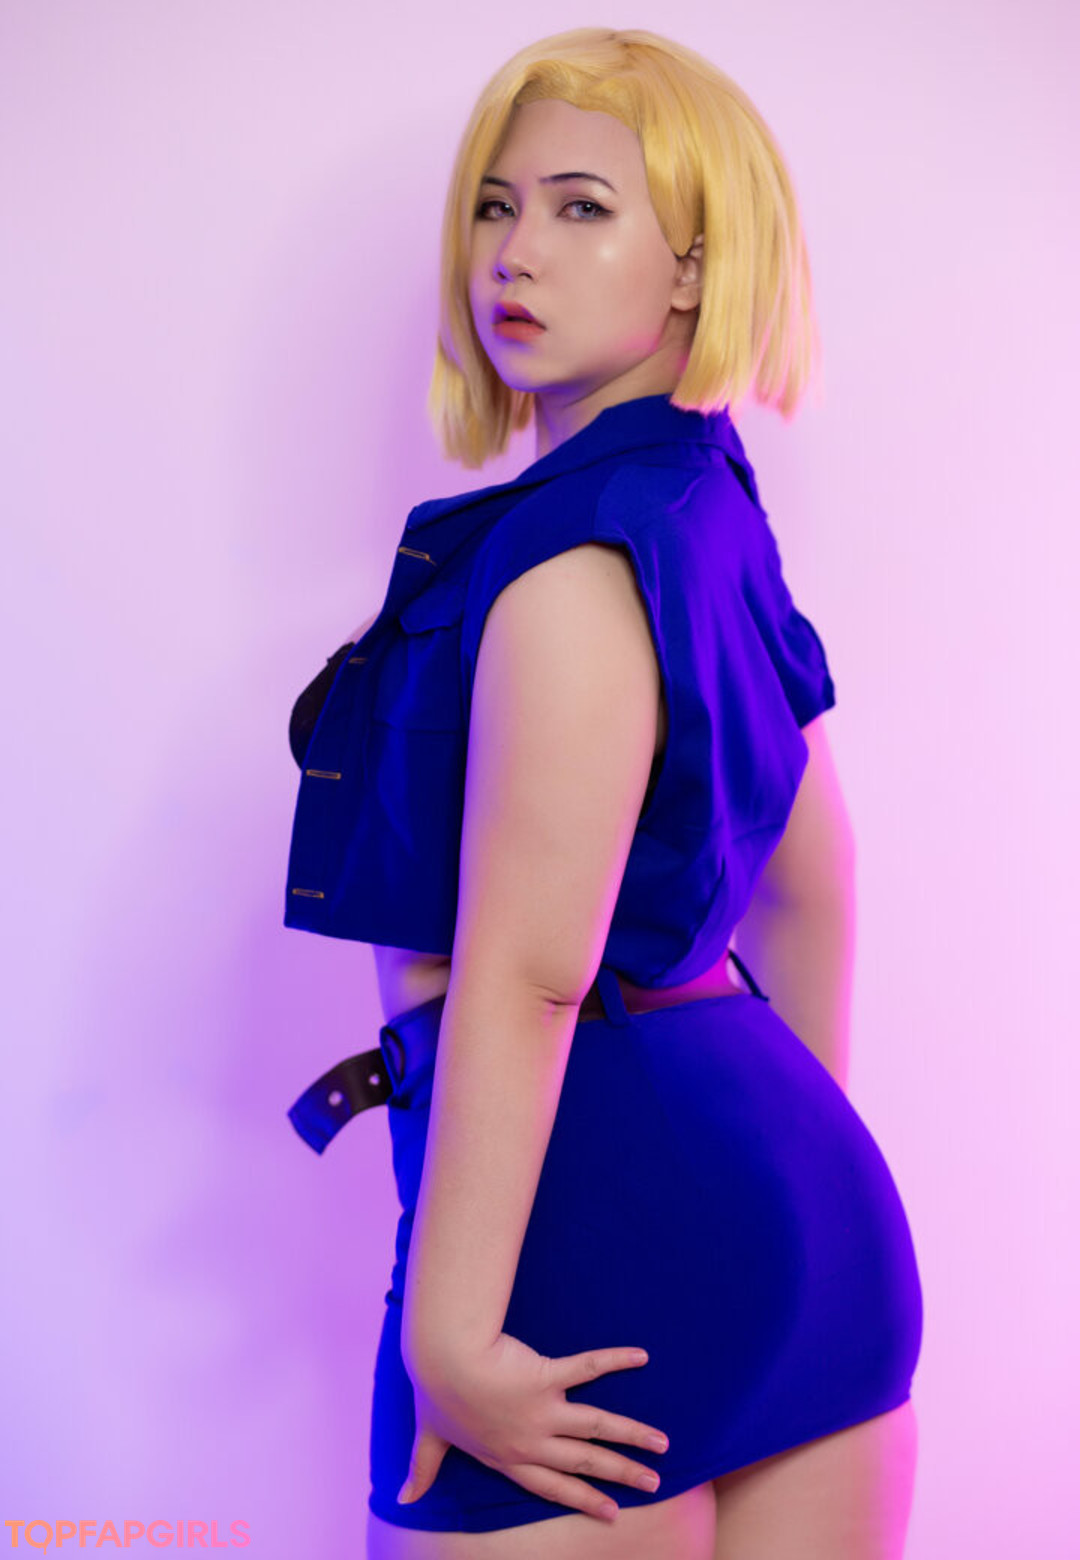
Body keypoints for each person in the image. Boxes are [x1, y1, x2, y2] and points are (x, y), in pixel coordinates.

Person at [283, 26, 924, 1559]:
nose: (516, 252)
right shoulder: (709, 512)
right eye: (496, 206)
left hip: (571, 1253)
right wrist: (775, 1179)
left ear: (696, 268)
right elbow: (815, 885)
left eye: (582, 208)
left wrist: (451, 1336)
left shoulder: (568, 565)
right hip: (811, 1221)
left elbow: (527, 975)